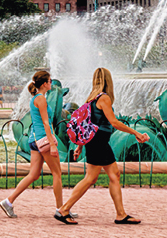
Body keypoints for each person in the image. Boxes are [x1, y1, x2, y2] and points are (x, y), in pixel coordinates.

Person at [55, 67, 149, 226]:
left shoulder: (91, 98)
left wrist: (80, 146)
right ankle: (64, 209)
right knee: (91, 178)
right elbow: (114, 122)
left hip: (96, 142)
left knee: (114, 175)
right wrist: (135, 133)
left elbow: (87, 124)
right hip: (98, 142)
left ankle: (121, 214)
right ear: (108, 80)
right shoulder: (104, 98)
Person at [0, 70, 69, 219]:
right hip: (44, 140)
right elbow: (45, 122)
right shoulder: (41, 100)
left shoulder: (35, 98)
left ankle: (8, 201)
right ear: (44, 84)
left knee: (33, 174)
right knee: (57, 174)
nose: (51, 83)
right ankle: (61, 209)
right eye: (50, 81)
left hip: (34, 140)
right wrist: (53, 144)